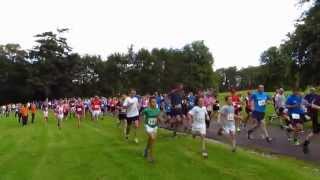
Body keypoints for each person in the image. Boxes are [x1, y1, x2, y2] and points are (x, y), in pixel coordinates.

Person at [143, 96, 162, 163]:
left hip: (154, 127)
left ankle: (145, 150)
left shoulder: (157, 110)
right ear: (150, 103)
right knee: (152, 138)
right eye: (152, 102)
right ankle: (151, 157)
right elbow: (141, 115)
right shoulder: (146, 110)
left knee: (150, 140)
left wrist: (162, 120)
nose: (154, 103)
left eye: (155, 102)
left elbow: (159, 117)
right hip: (148, 126)